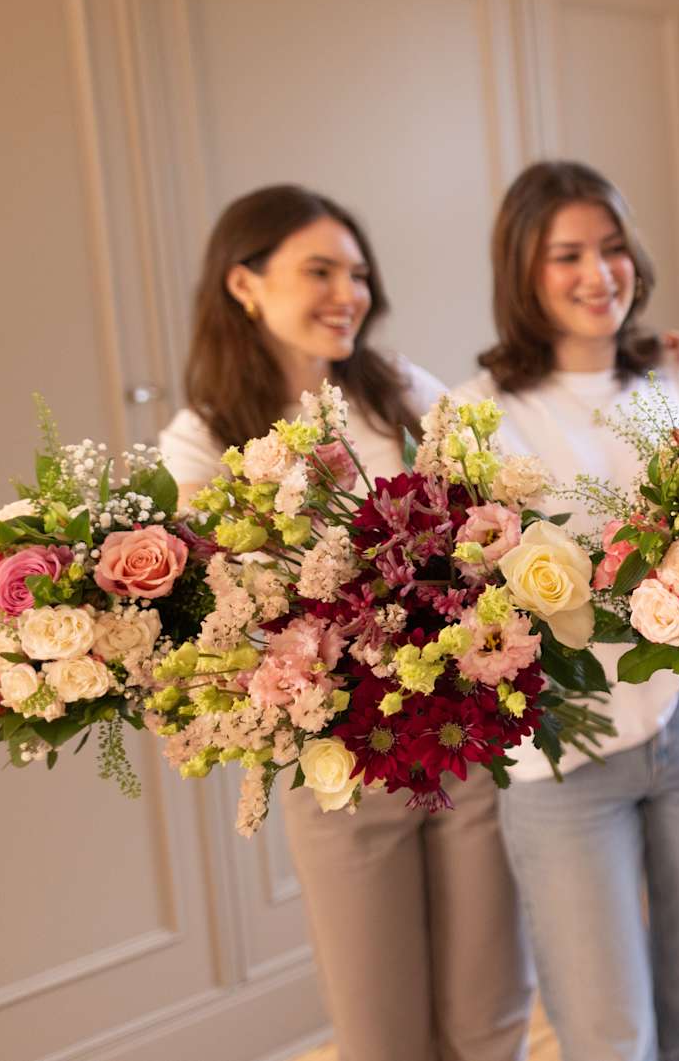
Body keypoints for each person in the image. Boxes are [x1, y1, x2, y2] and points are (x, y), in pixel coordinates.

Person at [158, 184, 533, 1061]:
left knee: (490, 1015)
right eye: (319, 271)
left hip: (458, 739)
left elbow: (505, 514)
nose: (348, 294)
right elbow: (218, 610)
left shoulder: (398, 389)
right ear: (244, 284)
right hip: (340, 765)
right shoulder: (203, 438)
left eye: (358, 273)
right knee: (380, 1032)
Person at [453, 160, 679, 1061]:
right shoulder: (479, 414)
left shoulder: (674, 378)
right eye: (567, 254)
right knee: (607, 1033)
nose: (598, 273)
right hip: (563, 754)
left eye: (612, 247)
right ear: (523, 270)